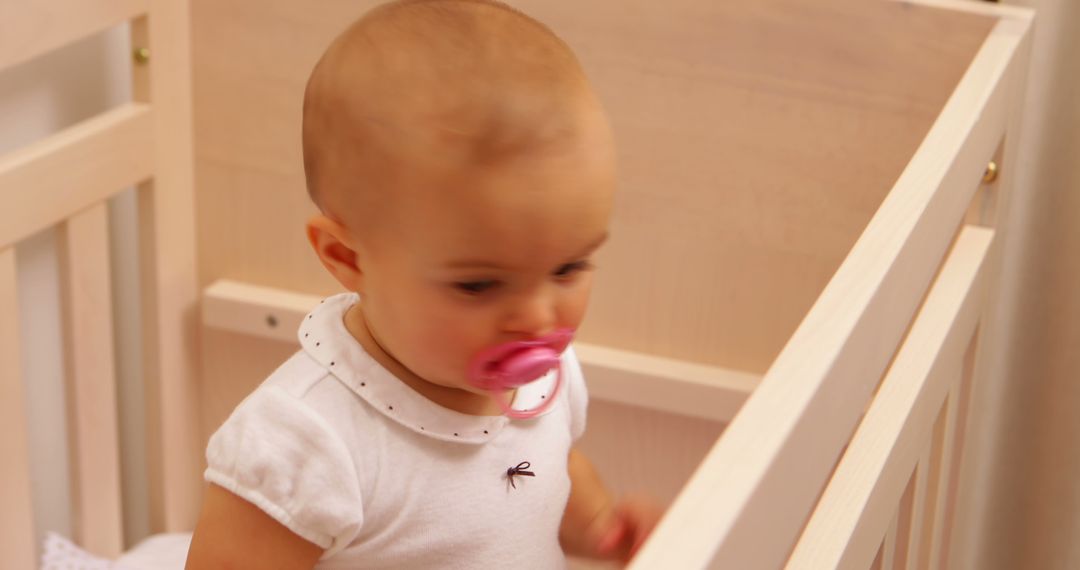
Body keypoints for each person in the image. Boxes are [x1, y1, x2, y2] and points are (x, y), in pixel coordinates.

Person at [186, 1, 661, 567]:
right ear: (347, 257)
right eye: (479, 285)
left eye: (567, 269)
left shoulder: (544, 380)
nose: (538, 318)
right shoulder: (308, 442)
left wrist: (603, 529)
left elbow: (545, 475)